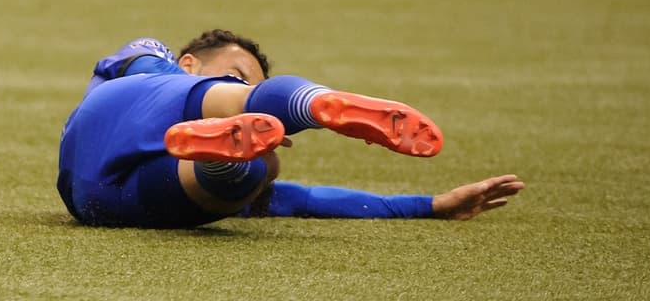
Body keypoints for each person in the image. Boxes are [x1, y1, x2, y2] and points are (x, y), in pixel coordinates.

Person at [58, 31, 525, 229]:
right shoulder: (155, 62)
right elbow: (133, 61)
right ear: (189, 61)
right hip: (108, 123)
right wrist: (233, 95)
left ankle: (223, 159)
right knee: (234, 112)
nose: (243, 80)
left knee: (259, 170)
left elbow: (306, 200)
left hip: (103, 204)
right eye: (239, 71)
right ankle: (314, 103)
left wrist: (431, 207)